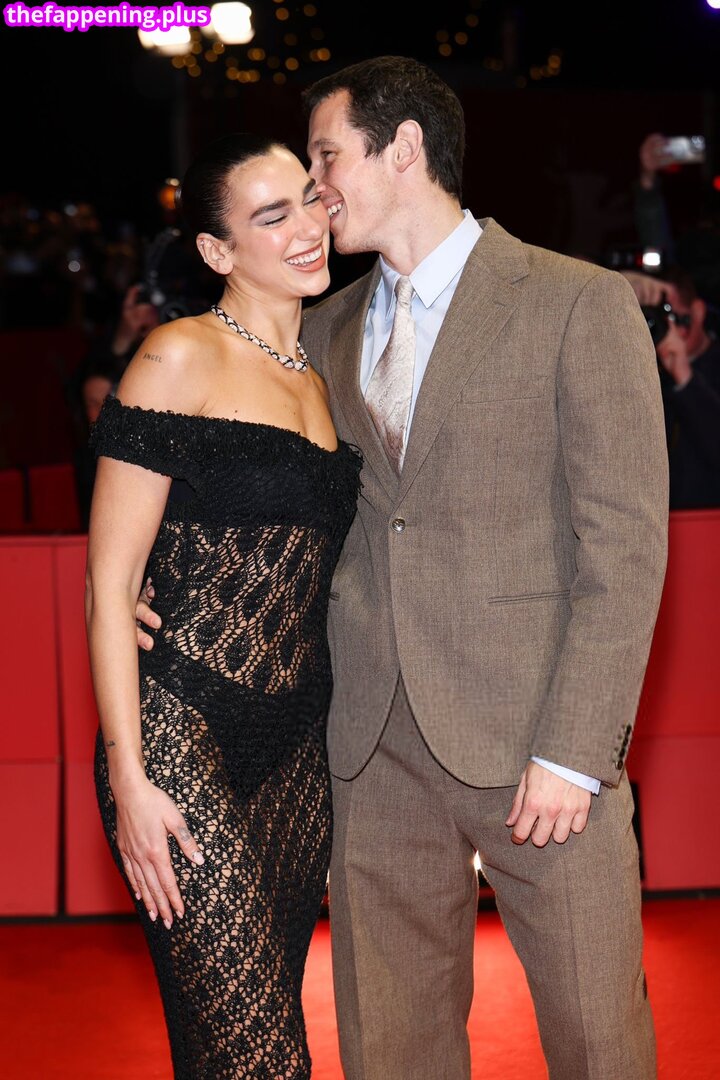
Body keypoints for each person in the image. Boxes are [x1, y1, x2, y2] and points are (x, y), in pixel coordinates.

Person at [137, 57, 669, 1079]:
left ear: (405, 148)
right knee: (391, 1051)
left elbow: (625, 546)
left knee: (601, 1044)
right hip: (370, 746)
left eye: (327, 157)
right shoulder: (319, 330)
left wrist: (574, 752)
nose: (316, 190)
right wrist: (152, 580)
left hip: (537, 744)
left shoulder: (576, 303)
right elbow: (262, 494)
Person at [85, 133, 361, 1078]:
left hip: (296, 754)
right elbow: (109, 587)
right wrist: (129, 779)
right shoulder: (177, 355)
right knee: (269, 1059)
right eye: (271, 216)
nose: (307, 227)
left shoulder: (322, 374)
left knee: (223, 1048)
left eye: (310, 200)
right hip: (178, 731)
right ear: (216, 250)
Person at [622, 265, 720, 509]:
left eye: (674, 316)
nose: (670, 328)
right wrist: (621, 284)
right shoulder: (640, 371)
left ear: (698, 311)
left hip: (708, 520)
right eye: (658, 318)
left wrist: (684, 377)